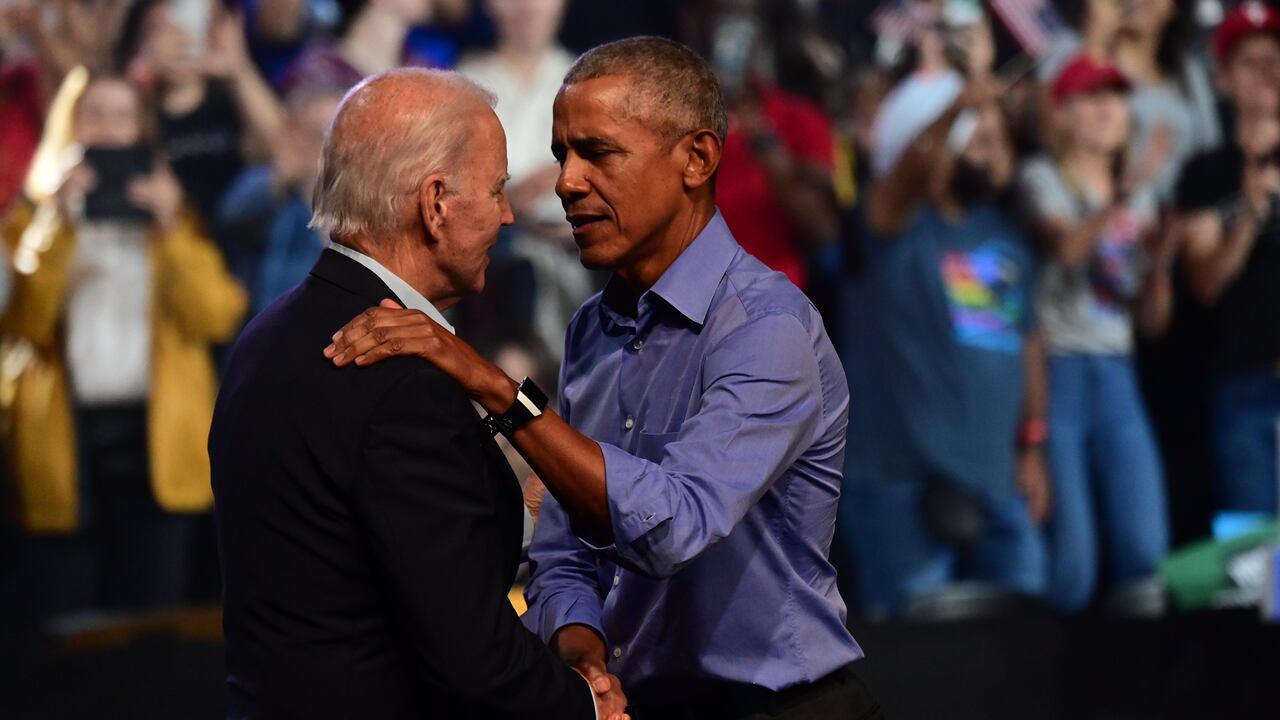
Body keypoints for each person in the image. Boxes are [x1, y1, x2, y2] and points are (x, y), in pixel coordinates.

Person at [326, 37, 881, 720]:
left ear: (697, 159)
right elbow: (566, 547)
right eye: (563, 155)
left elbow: (676, 525)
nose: (567, 181)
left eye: (598, 152)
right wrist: (579, 643)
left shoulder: (768, 328)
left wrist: (495, 386)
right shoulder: (593, 329)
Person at [209, 68, 627, 720]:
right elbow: (466, 653)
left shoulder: (270, 336)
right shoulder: (393, 373)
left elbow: (361, 553)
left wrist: (515, 515)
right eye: (494, 190)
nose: (509, 213)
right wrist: (585, 707)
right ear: (434, 204)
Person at [0, 72, 247, 616]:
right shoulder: (32, 222)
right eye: (94, 115)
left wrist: (169, 227)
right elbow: (25, 322)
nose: (108, 130)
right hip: (65, 442)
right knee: (65, 630)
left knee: (151, 627)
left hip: (157, 440)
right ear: (70, 127)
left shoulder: (178, 219)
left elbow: (218, 316)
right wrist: (58, 225)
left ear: (142, 130)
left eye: (122, 116)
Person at [838, 22, 1051, 617]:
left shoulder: (1009, 237)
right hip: (900, 483)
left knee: (1024, 654)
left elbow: (1028, 345)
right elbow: (899, 179)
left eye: (994, 137)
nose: (990, 148)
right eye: (973, 137)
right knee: (919, 667)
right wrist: (955, 103)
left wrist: (1032, 445)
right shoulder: (892, 226)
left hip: (997, 483)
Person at [1020, 55, 1173, 612]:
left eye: (1116, 96)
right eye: (1092, 97)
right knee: (1073, 564)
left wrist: (1158, 268)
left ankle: (1145, 692)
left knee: (1145, 549)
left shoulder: (1142, 197)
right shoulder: (1042, 178)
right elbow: (1067, 248)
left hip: (1118, 370)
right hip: (1059, 370)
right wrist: (1126, 192)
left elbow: (1150, 321)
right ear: (1062, 114)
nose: (1110, 108)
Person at [1176, 2, 1280, 514]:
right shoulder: (1205, 173)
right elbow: (1205, 282)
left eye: (1276, 58)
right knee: (1262, 568)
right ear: (1222, 81)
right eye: (1250, 62)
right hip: (1244, 385)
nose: (1269, 71)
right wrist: (1250, 215)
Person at [458, 0, 595, 361]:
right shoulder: (462, 86)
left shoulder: (592, 84)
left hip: (581, 265)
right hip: (493, 270)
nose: (527, 6)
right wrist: (515, 198)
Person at [217, 82, 347, 317]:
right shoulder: (269, 189)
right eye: (316, 134)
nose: (328, 148)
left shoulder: (365, 205)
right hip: (275, 338)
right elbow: (232, 213)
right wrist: (279, 181)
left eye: (336, 135)